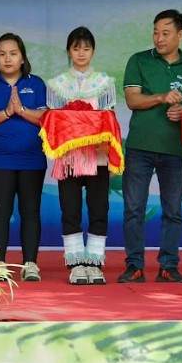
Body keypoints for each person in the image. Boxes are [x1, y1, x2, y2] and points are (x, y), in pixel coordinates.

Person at [119, 9, 182, 284]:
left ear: (180, 35)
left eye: (166, 33)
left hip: (173, 149)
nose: (159, 38)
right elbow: (133, 100)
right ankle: (134, 265)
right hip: (139, 146)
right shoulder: (139, 61)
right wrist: (160, 97)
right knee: (134, 209)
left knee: (173, 210)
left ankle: (168, 265)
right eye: (155, 32)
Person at [46, 27, 118, 285]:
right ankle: (76, 264)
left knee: (99, 209)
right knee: (70, 210)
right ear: (69, 51)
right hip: (69, 159)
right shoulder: (56, 85)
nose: (81, 53)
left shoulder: (105, 83)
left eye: (86, 48)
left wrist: (106, 150)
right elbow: (52, 123)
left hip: (98, 156)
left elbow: (110, 121)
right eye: (76, 48)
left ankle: (95, 263)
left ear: (93, 51)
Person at [0, 33, 48, 281]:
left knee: (30, 210)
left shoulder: (37, 83)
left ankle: (30, 263)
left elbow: (46, 118)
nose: (7, 59)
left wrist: (22, 110)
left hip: (32, 158)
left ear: (22, 58)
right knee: (0, 211)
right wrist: (7, 112)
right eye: (2, 54)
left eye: (13, 53)